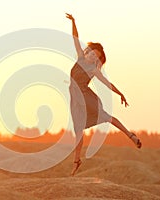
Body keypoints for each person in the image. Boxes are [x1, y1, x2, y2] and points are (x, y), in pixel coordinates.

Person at [66, 13, 142, 176]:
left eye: (96, 57)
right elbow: (75, 37)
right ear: (88, 52)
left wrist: (120, 93)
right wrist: (73, 22)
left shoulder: (93, 70)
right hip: (75, 100)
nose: (93, 56)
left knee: (107, 117)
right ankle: (77, 161)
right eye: (92, 53)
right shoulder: (80, 58)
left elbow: (108, 85)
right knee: (78, 132)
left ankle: (131, 136)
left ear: (96, 61)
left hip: (86, 98)